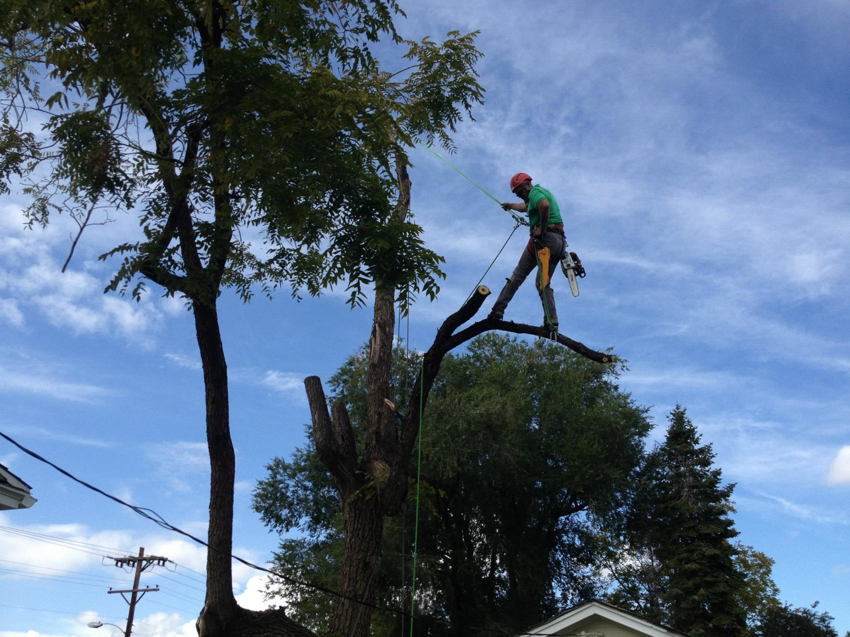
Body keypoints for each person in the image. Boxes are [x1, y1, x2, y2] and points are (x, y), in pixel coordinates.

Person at [488, 172, 566, 333]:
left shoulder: (536, 192)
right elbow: (526, 206)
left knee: (518, 275)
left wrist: (542, 229)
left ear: (526, 186)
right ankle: (552, 321)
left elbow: (544, 205)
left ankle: (497, 311)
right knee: (542, 283)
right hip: (558, 243)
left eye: (519, 193)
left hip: (545, 239)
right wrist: (510, 205)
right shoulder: (536, 196)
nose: (520, 197)